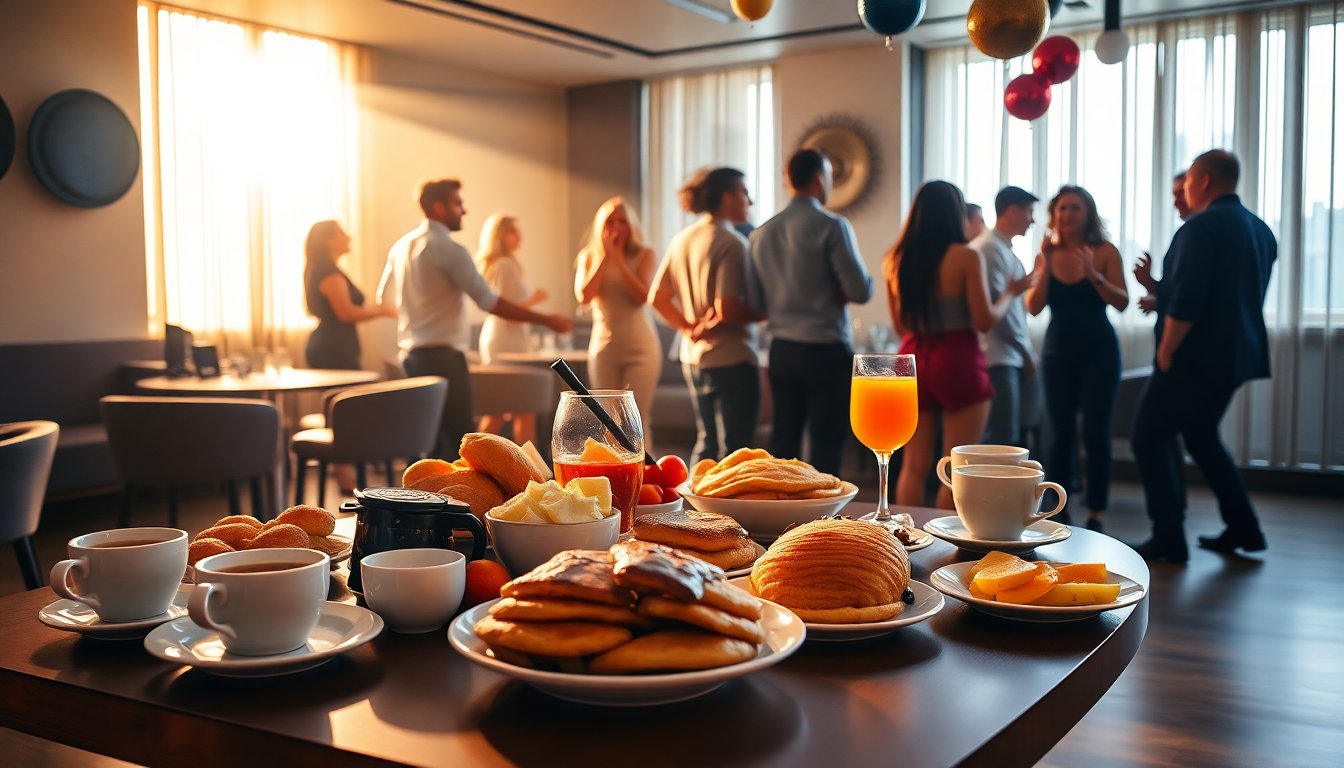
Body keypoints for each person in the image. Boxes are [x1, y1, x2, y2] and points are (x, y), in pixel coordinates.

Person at [1130, 150, 1276, 562]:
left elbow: (1190, 304)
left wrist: (1165, 350)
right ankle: (1245, 527)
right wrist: (1158, 288)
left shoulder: (1199, 228)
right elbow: (1224, 297)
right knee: (1202, 435)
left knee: (1148, 436)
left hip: (1192, 358)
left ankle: (1169, 538)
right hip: (1236, 357)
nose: (1186, 192)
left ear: (1205, 181)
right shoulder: (1261, 230)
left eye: (1189, 183)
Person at [379, 179, 573, 459]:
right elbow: (488, 301)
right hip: (444, 360)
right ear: (439, 207)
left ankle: (419, 501)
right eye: (458, 204)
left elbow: (382, 302)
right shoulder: (448, 249)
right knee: (459, 448)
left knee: (425, 444)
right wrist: (546, 319)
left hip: (410, 358)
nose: (464, 210)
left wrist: (418, 318)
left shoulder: (400, 247)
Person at [887, 181, 1035, 509]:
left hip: (912, 358)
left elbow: (901, 326)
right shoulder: (966, 257)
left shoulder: (896, 260)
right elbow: (984, 320)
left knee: (913, 465)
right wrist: (1010, 292)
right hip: (957, 358)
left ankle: (904, 541)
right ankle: (942, 546)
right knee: (955, 467)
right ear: (956, 213)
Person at [746, 149, 873, 476]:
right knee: (826, 442)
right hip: (826, 350)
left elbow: (757, 304)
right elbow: (860, 290)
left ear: (788, 180)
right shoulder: (832, 226)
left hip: (783, 351)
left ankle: (778, 511)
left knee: (783, 440)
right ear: (819, 179)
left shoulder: (760, 234)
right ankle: (824, 520)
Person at [1024, 185, 1129, 532]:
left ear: (1089, 214)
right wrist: (1044, 268)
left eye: (1075, 208)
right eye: (1061, 208)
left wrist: (1094, 275)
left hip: (1100, 351)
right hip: (1058, 353)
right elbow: (1033, 308)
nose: (1066, 215)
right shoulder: (1046, 255)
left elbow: (1123, 301)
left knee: (1096, 431)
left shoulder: (1105, 251)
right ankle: (1059, 509)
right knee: (1061, 432)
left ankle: (1096, 510)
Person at [649, 167, 764, 465]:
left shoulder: (682, 239)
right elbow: (726, 307)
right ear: (727, 197)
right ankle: (735, 510)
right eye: (743, 193)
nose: (748, 201)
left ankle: (695, 507)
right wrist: (764, 312)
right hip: (732, 357)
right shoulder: (731, 242)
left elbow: (657, 298)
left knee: (706, 441)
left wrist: (688, 328)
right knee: (737, 450)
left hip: (693, 357)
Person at [575, 197, 662, 451]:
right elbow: (584, 296)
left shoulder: (645, 254)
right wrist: (605, 258)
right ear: (601, 226)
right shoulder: (588, 256)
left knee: (636, 418)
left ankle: (647, 480)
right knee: (609, 421)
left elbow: (642, 296)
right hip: (604, 348)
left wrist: (619, 261)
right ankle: (614, 479)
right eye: (610, 221)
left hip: (641, 348)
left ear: (631, 225)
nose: (617, 227)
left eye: (622, 221)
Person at [971, 186, 1039, 446]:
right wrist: (1025, 351)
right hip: (996, 356)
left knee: (1006, 435)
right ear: (1012, 210)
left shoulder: (1002, 249)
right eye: (1029, 212)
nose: (1032, 220)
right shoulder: (989, 249)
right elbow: (996, 312)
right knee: (1001, 440)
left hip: (1004, 355)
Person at [476, 213, 548, 444]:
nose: (519, 237)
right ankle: (531, 472)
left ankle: (473, 460)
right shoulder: (505, 265)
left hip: (499, 338)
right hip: (507, 341)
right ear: (500, 236)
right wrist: (534, 301)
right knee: (524, 408)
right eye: (513, 231)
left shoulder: (497, 264)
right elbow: (508, 311)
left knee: (501, 409)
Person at [303, 220, 394, 371]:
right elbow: (346, 313)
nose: (349, 237)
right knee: (348, 394)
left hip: (336, 345)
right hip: (333, 348)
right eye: (342, 234)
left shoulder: (323, 269)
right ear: (328, 241)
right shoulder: (328, 273)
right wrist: (383, 310)